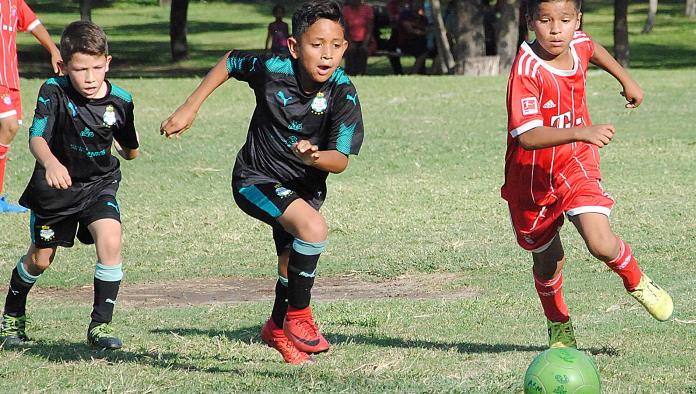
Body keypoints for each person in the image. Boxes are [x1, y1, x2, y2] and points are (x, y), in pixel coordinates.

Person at [160, 0, 364, 364]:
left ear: (345, 48)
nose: (327, 54)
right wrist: (190, 107)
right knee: (314, 229)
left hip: (304, 187)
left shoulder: (343, 92)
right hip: (255, 179)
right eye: (317, 44)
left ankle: (276, 328)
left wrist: (314, 157)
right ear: (294, 46)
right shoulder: (273, 67)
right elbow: (231, 60)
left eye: (335, 45)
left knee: (291, 262)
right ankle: (299, 318)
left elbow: (341, 160)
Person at [503, 0, 673, 349]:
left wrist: (627, 79)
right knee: (548, 260)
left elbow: (591, 47)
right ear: (530, 21)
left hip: (575, 163)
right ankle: (559, 323)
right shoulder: (526, 70)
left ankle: (637, 281)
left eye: (565, 20)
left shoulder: (577, 43)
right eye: (545, 20)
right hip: (531, 179)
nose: (556, 30)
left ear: (576, 20)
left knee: (599, 241)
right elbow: (529, 135)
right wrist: (582, 130)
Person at [0, 21, 140, 349]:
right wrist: (50, 163)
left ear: (108, 62)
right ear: (64, 67)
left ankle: (99, 327)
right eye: (80, 69)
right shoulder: (53, 90)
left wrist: (129, 149)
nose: (90, 78)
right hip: (55, 190)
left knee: (111, 237)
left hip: (98, 185)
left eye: (96, 67)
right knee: (41, 258)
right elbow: (36, 138)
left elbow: (130, 148)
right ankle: (13, 313)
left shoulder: (121, 100)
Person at [0, 0, 62, 213]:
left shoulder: (13, 1)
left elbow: (33, 23)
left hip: (10, 78)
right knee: (8, 126)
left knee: (9, 130)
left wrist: (53, 50)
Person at [342, 0, 374, 75]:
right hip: (350, 40)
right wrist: (350, 43)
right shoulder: (345, 10)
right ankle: (350, 72)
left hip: (366, 40)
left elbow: (370, 29)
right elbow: (344, 29)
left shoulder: (367, 9)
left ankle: (362, 72)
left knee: (364, 50)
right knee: (351, 50)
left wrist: (365, 43)